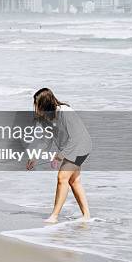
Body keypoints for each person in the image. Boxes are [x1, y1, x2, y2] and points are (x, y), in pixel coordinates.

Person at [27, 87, 92, 223]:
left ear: (46, 103)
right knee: (74, 181)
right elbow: (46, 140)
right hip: (69, 148)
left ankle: (54, 216)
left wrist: (60, 155)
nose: (35, 107)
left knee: (62, 177)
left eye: (37, 104)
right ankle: (86, 216)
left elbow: (76, 137)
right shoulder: (45, 117)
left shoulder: (65, 112)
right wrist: (35, 156)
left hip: (81, 146)